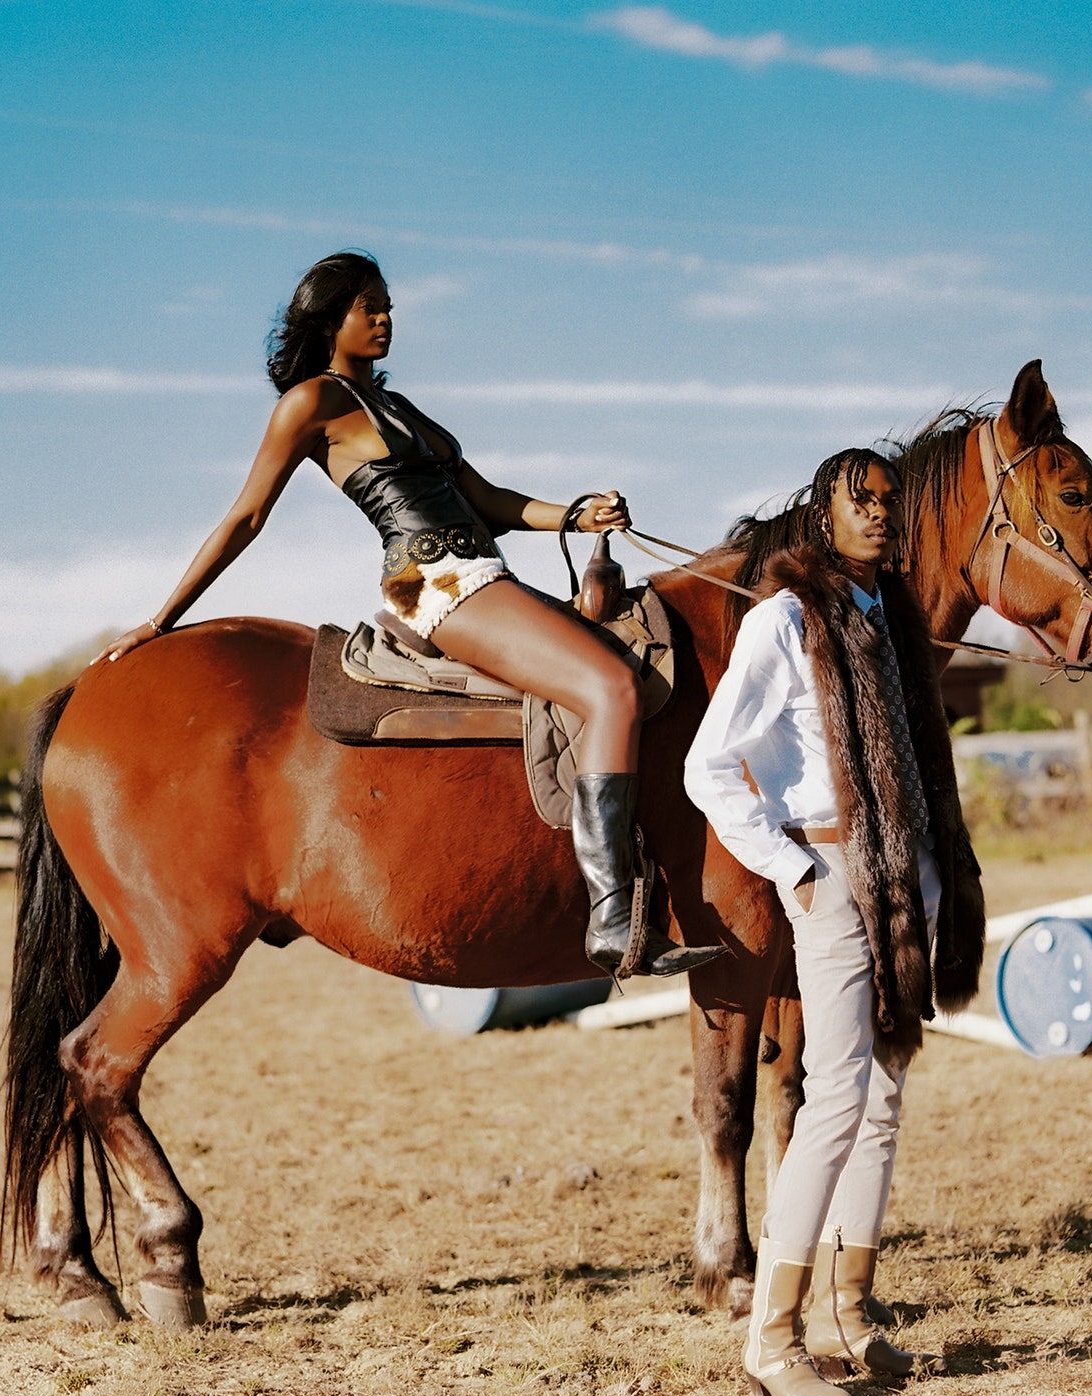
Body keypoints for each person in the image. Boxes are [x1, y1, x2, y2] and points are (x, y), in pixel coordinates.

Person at [96, 250, 719, 979]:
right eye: (370, 307)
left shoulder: (399, 407)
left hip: (486, 571)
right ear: (332, 321)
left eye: (388, 304)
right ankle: (614, 916)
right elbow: (246, 516)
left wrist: (576, 517)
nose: (387, 317)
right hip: (427, 583)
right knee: (608, 687)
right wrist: (162, 616)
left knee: (623, 668)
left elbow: (488, 501)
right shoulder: (312, 404)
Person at [683, 448, 986, 1396]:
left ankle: (846, 1311)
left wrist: (933, 872)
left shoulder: (885, 620)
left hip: (903, 872)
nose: (880, 518)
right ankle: (772, 1339)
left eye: (891, 505)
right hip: (831, 866)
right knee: (836, 1096)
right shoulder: (782, 618)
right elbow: (709, 766)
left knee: (886, 1086)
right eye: (861, 503)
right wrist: (792, 867)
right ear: (823, 513)